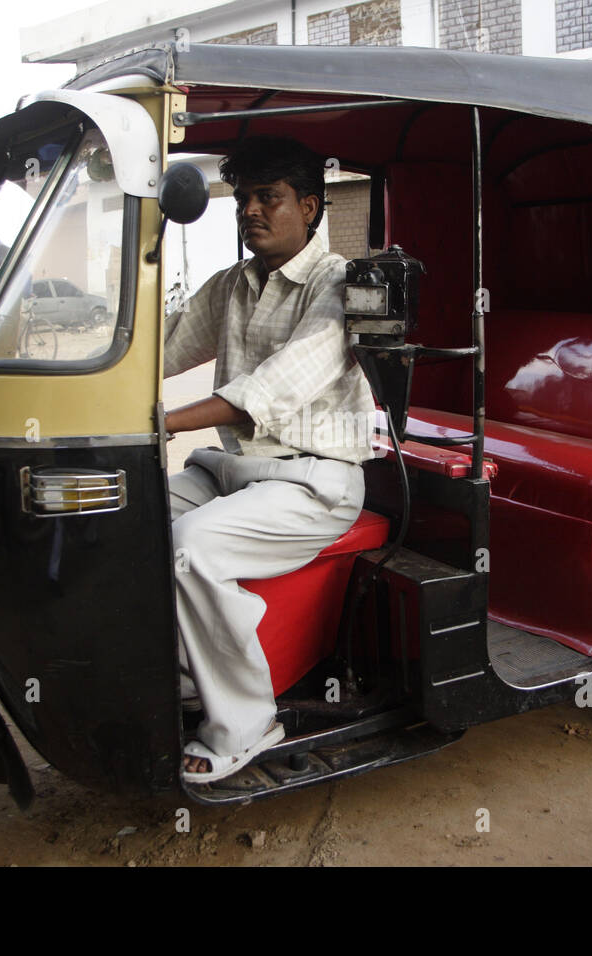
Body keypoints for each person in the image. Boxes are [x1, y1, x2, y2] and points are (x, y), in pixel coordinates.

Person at [163, 136, 375, 783]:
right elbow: (161, 351)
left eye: (269, 198)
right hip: (233, 473)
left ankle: (248, 722)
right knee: (126, 515)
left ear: (308, 207)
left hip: (314, 481)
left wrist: (159, 421)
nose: (250, 210)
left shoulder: (338, 284)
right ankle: (183, 669)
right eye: (244, 198)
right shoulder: (234, 283)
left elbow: (269, 392)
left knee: (190, 547)